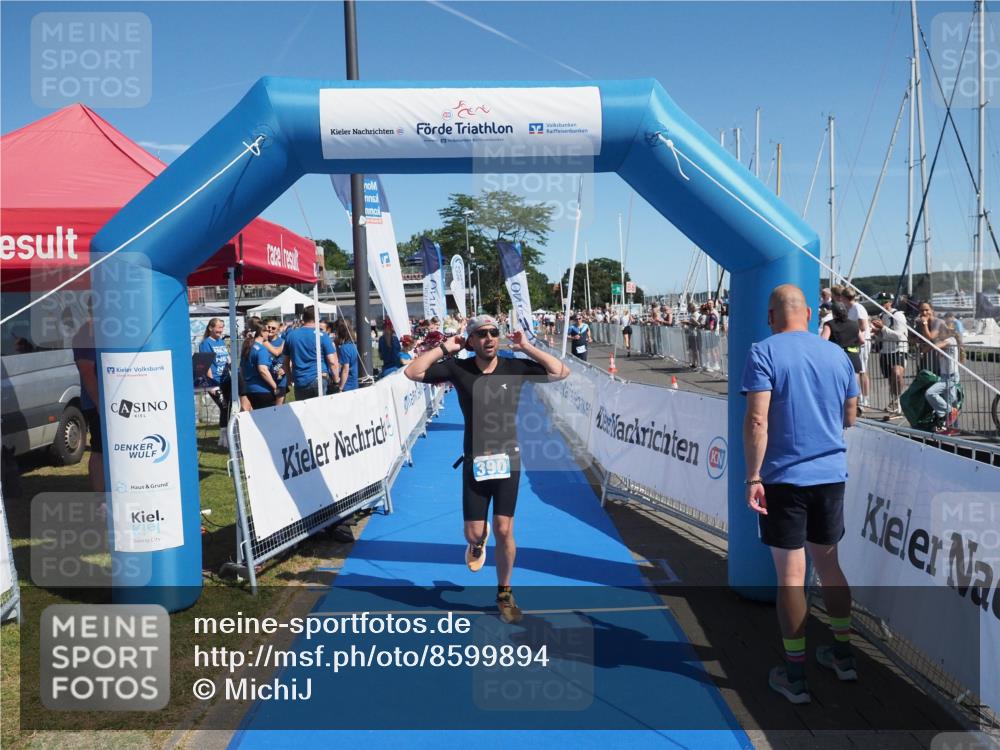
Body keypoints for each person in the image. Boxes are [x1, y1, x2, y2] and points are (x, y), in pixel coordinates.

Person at [405, 315, 569, 623]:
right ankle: (478, 542)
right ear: (471, 341)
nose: (490, 338)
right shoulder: (459, 368)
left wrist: (526, 347)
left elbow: (561, 371)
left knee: (505, 529)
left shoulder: (514, 367)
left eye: (494, 332)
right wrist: (445, 348)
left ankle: (504, 592)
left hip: (509, 460)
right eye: (481, 334)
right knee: (474, 533)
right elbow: (412, 371)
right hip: (475, 463)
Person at [741, 284, 859, 705]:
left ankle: (795, 676)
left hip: (784, 479)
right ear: (808, 313)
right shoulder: (837, 355)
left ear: (771, 316)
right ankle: (843, 656)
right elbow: (850, 416)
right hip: (830, 474)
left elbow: (757, 420)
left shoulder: (763, 351)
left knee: (791, 577)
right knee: (829, 567)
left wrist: (753, 476)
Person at [72, 313, 103, 492]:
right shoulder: (87, 332)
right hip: (97, 404)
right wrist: (100, 404)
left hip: (112, 404)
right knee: (100, 451)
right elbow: (86, 370)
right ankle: (102, 500)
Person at [283, 306, 340, 400]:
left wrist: (289, 379)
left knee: (304, 413)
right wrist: (336, 380)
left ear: (303, 318)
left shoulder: (291, 335)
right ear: (317, 317)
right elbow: (332, 361)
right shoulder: (322, 335)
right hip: (318, 379)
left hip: (299, 380)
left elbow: (285, 362)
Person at [821, 302, 863, 415]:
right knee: (854, 385)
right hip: (853, 358)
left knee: (837, 385)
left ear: (833, 313)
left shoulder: (829, 324)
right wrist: (854, 345)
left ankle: (838, 410)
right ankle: (855, 408)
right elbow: (862, 340)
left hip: (837, 357)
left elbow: (823, 341)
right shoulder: (854, 324)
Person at [871, 294, 908, 415]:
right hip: (885, 350)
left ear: (890, 302)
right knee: (891, 379)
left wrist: (882, 328)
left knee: (897, 374)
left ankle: (899, 401)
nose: (882, 304)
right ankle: (894, 400)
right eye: (880, 301)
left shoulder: (898, 315)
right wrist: (876, 332)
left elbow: (899, 335)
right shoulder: (882, 315)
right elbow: (883, 335)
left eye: (885, 301)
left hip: (898, 349)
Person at [199, 318, 232, 447]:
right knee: (223, 406)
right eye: (218, 327)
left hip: (226, 380)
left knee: (228, 407)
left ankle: (226, 437)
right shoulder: (205, 343)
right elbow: (206, 365)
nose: (220, 330)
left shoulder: (221, 342)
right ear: (210, 328)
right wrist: (212, 384)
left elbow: (225, 359)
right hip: (215, 382)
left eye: (222, 327)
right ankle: (224, 437)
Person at [925, 319, 961, 435]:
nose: (939, 333)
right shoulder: (945, 341)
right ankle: (952, 428)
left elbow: (936, 346)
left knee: (930, 393)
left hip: (950, 377)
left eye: (940, 331)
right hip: (945, 376)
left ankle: (950, 412)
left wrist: (930, 344)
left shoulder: (951, 340)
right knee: (951, 401)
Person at [839, 287, 870, 409]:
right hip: (854, 342)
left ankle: (864, 399)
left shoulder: (858, 308)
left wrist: (852, 333)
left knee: (862, 370)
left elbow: (863, 326)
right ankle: (859, 397)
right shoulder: (850, 308)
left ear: (845, 298)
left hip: (861, 341)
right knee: (858, 370)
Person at [241, 321, 280, 409]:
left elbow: (242, 369)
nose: (269, 333)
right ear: (261, 333)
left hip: (250, 389)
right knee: (267, 420)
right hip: (263, 390)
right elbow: (263, 370)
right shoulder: (261, 349)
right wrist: (275, 386)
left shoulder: (247, 347)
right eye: (267, 330)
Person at [914, 301, 945, 373]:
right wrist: (918, 339)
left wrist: (925, 323)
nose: (924, 313)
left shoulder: (938, 322)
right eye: (922, 311)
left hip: (939, 361)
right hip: (924, 360)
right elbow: (910, 338)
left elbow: (930, 337)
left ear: (932, 310)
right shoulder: (919, 323)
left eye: (927, 310)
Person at [264, 319, 288, 406]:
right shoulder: (262, 341)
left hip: (279, 379)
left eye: (273, 328)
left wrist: (284, 369)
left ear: (278, 330)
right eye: (268, 327)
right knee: (266, 407)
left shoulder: (282, 342)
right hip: (265, 378)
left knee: (279, 408)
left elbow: (289, 358)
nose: (270, 329)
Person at [335, 319, 360, 392]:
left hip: (348, 385)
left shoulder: (344, 348)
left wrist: (340, 388)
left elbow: (345, 370)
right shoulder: (355, 345)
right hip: (356, 383)